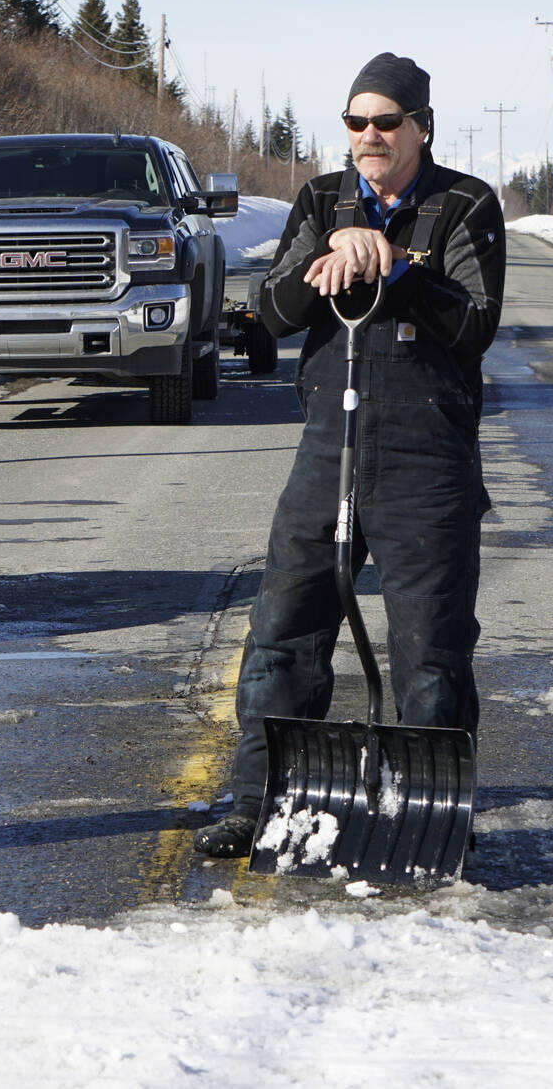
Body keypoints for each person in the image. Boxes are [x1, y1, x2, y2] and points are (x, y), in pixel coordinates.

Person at [197, 52, 505, 858]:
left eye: (386, 121)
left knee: (430, 645)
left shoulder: (466, 204)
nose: (369, 136)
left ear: (420, 127)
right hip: (327, 446)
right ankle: (255, 799)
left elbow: (474, 324)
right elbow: (271, 310)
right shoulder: (320, 199)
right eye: (355, 122)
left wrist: (397, 268)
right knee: (284, 628)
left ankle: (433, 813)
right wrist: (326, 261)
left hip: (427, 457)